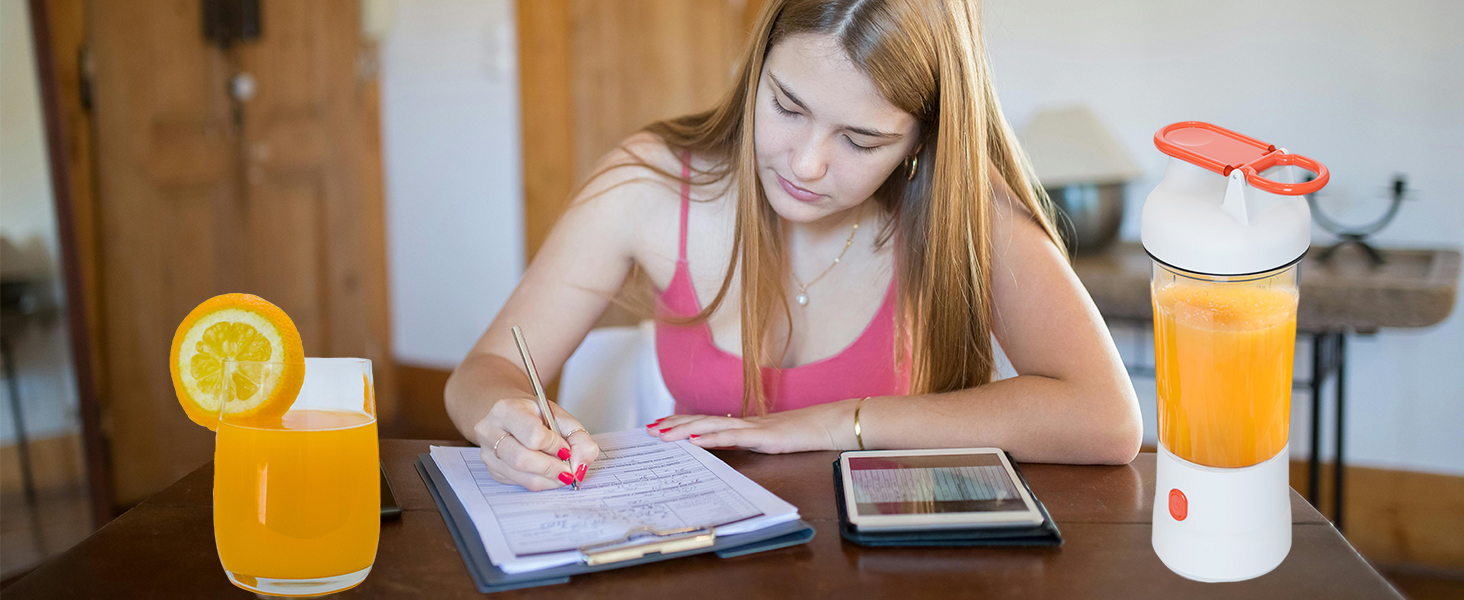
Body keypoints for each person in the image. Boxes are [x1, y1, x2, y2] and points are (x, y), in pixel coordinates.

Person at [445, 0, 1142, 492]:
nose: (806, 164)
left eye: (860, 139)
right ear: (757, 69)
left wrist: (834, 424)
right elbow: (484, 372)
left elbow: (1107, 420)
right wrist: (503, 422)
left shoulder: (966, 208)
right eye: (787, 105)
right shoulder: (649, 182)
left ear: (923, 140)